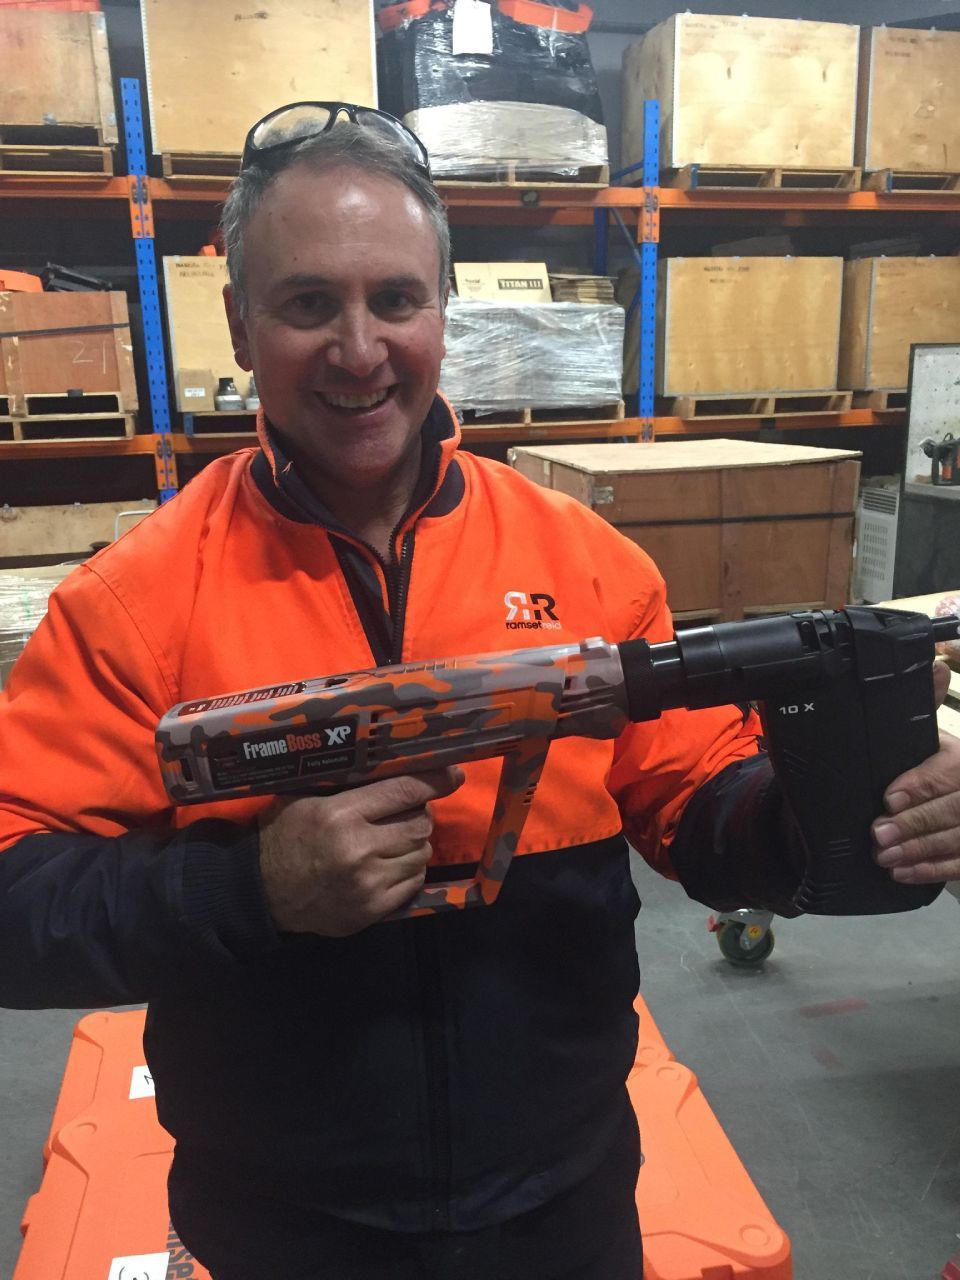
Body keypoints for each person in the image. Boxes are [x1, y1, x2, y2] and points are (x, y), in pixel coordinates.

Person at [0, 103, 959, 1280]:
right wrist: (252, 884)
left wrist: (849, 804)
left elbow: (703, 807)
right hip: (283, 1228)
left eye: (396, 299)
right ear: (241, 324)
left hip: (566, 1202)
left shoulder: (586, 562)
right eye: (309, 304)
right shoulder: (134, 604)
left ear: (443, 311)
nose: (360, 349)